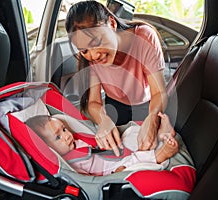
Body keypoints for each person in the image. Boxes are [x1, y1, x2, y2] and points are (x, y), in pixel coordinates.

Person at [65, 0, 168, 156]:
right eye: (85, 50)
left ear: (111, 23)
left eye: (96, 42)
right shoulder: (88, 57)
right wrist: (104, 121)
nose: (93, 55)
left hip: (147, 105)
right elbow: (93, 102)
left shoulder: (144, 37)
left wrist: (153, 118)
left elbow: (159, 92)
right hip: (115, 104)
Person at [25, 112, 178, 176]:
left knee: (130, 132)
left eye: (64, 129)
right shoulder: (69, 164)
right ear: (47, 149)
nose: (66, 136)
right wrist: (113, 174)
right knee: (134, 160)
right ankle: (161, 154)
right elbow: (87, 180)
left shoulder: (74, 143)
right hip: (112, 169)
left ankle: (161, 133)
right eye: (58, 138)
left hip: (112, 153)